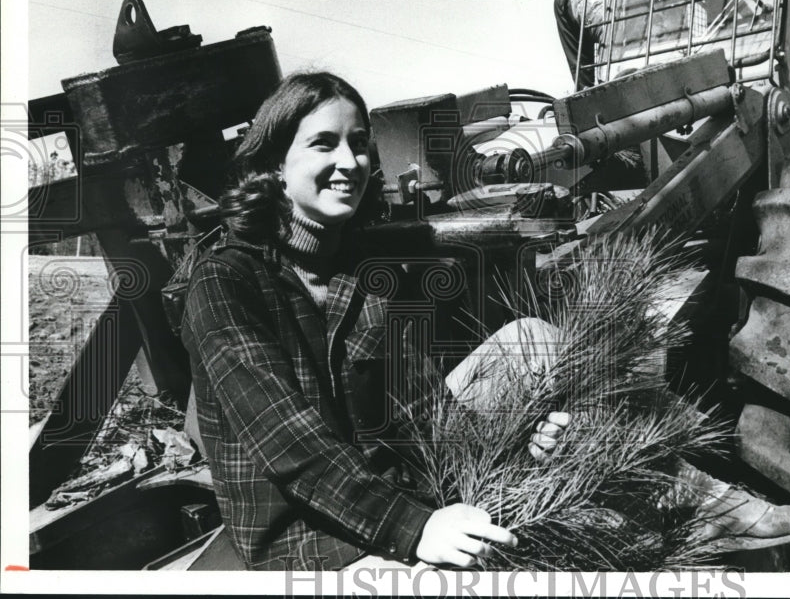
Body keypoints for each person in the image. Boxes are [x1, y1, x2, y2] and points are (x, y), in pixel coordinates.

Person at [181, 72, 569, 570]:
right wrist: (417, 528)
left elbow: (425, 411)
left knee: (534, 339)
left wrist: (515, 444)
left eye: (359, 144)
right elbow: (294, 449)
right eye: (324, 144)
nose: (349, 162)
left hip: (385, 492)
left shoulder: (364, 270)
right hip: (307, 541)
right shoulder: (225, 282)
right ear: (276, 165)